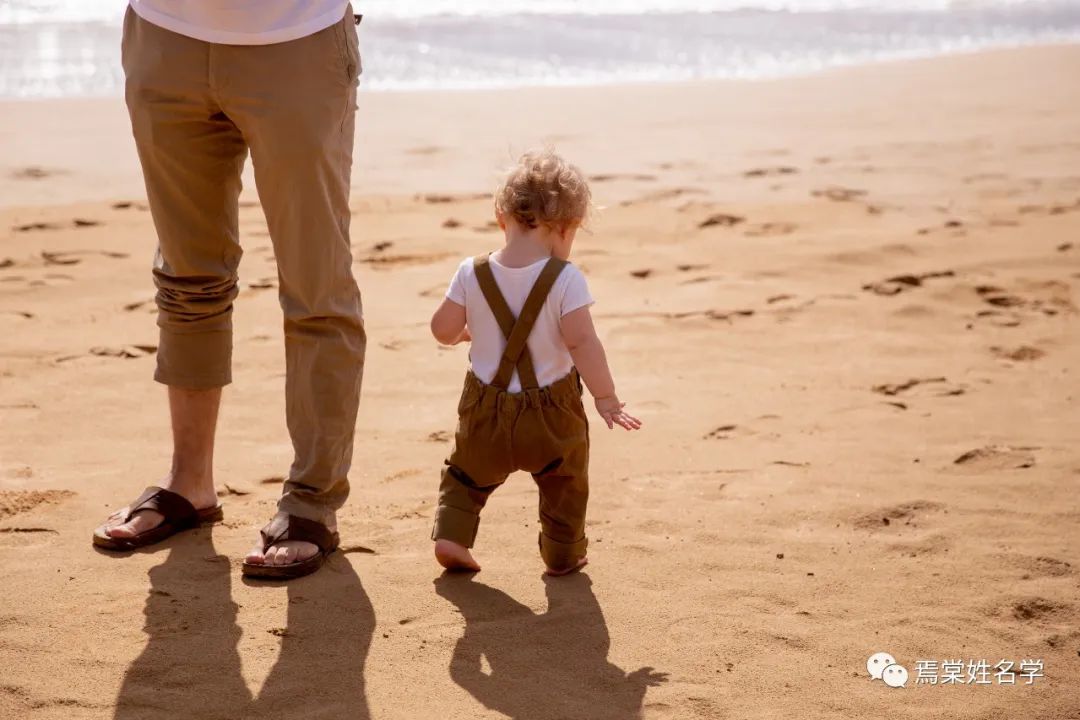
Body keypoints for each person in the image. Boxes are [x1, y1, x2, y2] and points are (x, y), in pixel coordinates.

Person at [92, 1, 365, 581]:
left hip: (297, 43)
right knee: (187, 278)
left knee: (317, 289)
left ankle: (313, 502)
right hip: (164, 38)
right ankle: (189, 484)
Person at [429, 150, 642, 576]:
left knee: (465, 476)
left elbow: (442, 329)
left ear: (500, 217)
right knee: (565, 482)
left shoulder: (471, 273)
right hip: (552, 417)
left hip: (484, 413)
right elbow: (583, 342)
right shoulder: (566, 279)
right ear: (565, 228)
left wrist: (465, 333)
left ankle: (452, 535)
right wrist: (606, 397)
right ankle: (563, 553)